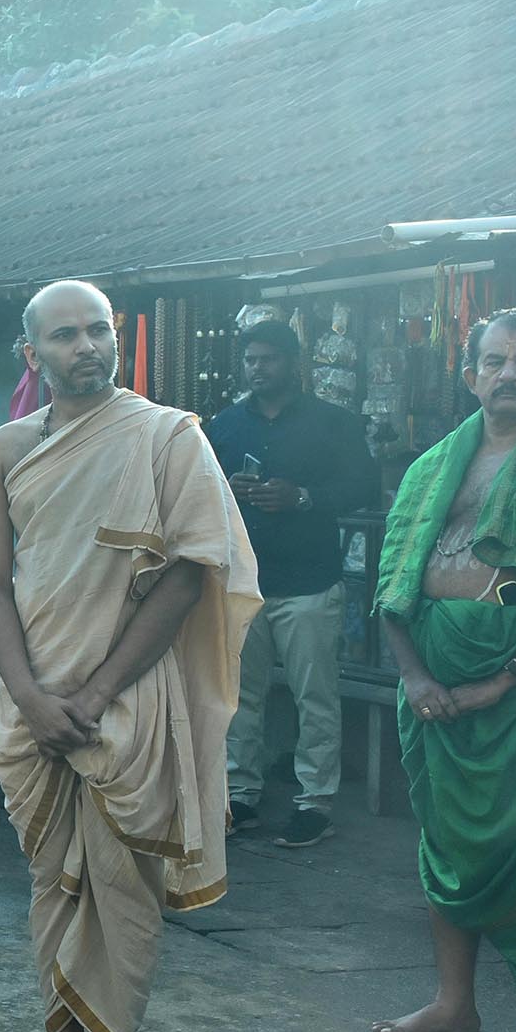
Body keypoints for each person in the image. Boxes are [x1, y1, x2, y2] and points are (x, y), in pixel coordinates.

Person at [0, 280, 257, 1032]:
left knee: (119, 887)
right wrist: (30, 694)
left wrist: (95, 693)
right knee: (54, 882)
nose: (87, 346)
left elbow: (189, 571)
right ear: (34, 355)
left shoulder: (170, 437)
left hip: (126, 700)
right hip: (34, 700)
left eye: (98, 330)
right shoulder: (4, 445)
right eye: (65, 335)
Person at [367, 307, 516, 1032]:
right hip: (430, 677)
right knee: (445, 843)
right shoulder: (435, 465)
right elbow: (394, 580)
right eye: (495, 361)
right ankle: (454, 1000)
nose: (511, 374)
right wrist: (415, 674)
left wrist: (503, 678)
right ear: (470, 377)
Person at [202, 320, 376, 846]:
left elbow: (364, 485)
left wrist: (302, 496)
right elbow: (197, 486)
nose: (258, 368)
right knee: (238, 697)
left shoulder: (331, 422)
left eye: (268, 359)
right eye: (251, 360)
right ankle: (241, 794)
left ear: (292, 362)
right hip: (244, 581)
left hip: (309, 582)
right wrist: (227, 489)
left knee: (315, 696)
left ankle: (315, 801)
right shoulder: (227, 425)